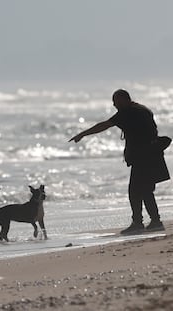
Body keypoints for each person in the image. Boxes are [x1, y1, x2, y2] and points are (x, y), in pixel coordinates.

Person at [69, 89, 170, 234]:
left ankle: (139, 223)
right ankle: (155, 221)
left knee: (135, 191)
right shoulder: (142, 109)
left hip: (143, 157)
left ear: (123, 100)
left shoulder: (128, 112)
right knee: (146, 190)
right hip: (152, 154)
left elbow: (104, 125)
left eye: (115, 101)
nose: (114, 105)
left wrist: (83, 133)